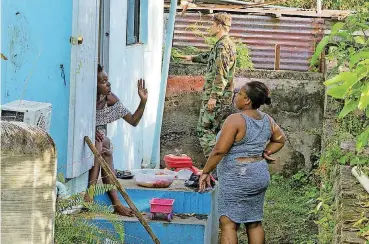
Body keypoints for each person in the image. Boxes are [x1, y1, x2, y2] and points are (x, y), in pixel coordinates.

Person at [199, 81, 286, 244]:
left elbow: (219, 150)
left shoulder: (235, 120)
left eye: (239, 93)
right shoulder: (267, 120)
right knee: (254, 222)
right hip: (259, 176)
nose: (236, 96)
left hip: (237, 177)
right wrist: (266, 152)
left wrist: (206, 171)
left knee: (228, 223)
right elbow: (280, 139)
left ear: (247, 100)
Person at [84, 64, 148, 216]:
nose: (108, 83)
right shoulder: (85, 100)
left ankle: (116, 203)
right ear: (93, 85)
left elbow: (133, 120)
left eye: (107, 80)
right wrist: (90, 131)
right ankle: (90, 193)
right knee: (100, 143)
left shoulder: (110, 99)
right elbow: (77, 121)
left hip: (99, 144)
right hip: (86, 142)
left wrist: (143, 101)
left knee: (105, 144)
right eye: (103, 81)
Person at [179, 13, 237, 162]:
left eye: (212, 24)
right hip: (220, 97)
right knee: (217, 132)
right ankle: (220, 169)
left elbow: (221, 73)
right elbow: (210, 58)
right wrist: (192, 58)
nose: (209, 27)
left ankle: (216, 168)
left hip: (217, 97)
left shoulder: (223, 46)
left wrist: (213, 97)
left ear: (219, 26)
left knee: (204, 130)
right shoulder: (223, 44)